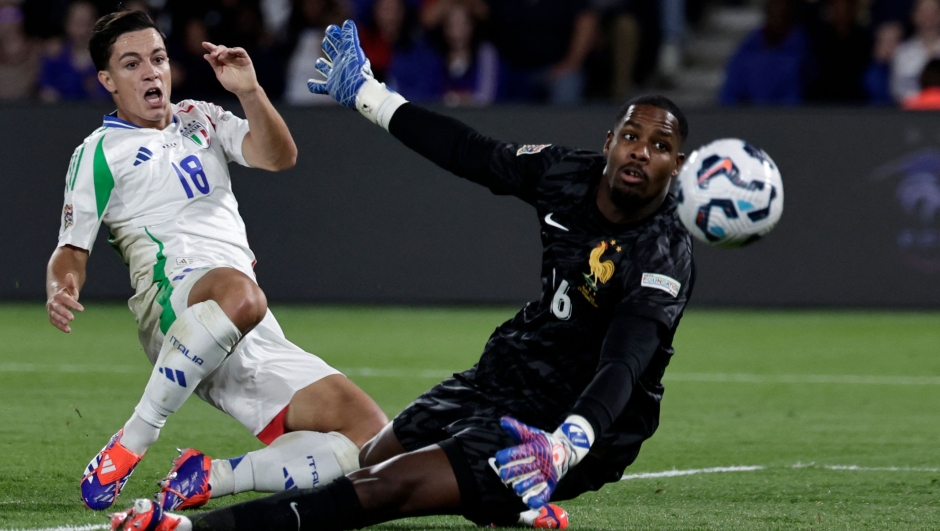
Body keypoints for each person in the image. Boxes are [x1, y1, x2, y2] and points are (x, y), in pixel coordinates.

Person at [110, 19, 695, 531]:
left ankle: (185, 527)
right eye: (631, 136)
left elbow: (623, 363)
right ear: (610, 142)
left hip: (579, 424)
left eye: (660, 145)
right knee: (369, 457)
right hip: (508, 375)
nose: (641, 151)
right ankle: (502, 497)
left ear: (679, 165)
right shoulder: (571, 175)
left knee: (380, 492)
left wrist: (567, 445)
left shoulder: (661, 255)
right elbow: (470, 151)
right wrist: (367, 93)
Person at [45, 10, 388, 511]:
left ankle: (210, 477)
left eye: (157, 59)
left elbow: (278, 156)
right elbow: (70, 249)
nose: (150, 72)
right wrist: (62, 286)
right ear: (108, 80)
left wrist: (249, 91)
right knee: (242, 293)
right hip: (174, 302)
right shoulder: (100, 151)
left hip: (246, 323)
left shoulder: (200, 116)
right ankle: (135, 439)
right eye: (132, 63)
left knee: (371, 442)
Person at [719, 0, 810, 105]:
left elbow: (794, 95)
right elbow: (731, 89)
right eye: (773, 12)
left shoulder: (800, 50)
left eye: (782, 12)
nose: (777, 17)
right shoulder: (750, 46)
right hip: (747, 113)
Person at [891, 0, 940, 103]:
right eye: (924, 11)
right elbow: (897, 90)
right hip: (912, 114)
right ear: (914, 15)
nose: (929, 16)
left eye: (933, 11)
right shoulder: (902, 52)